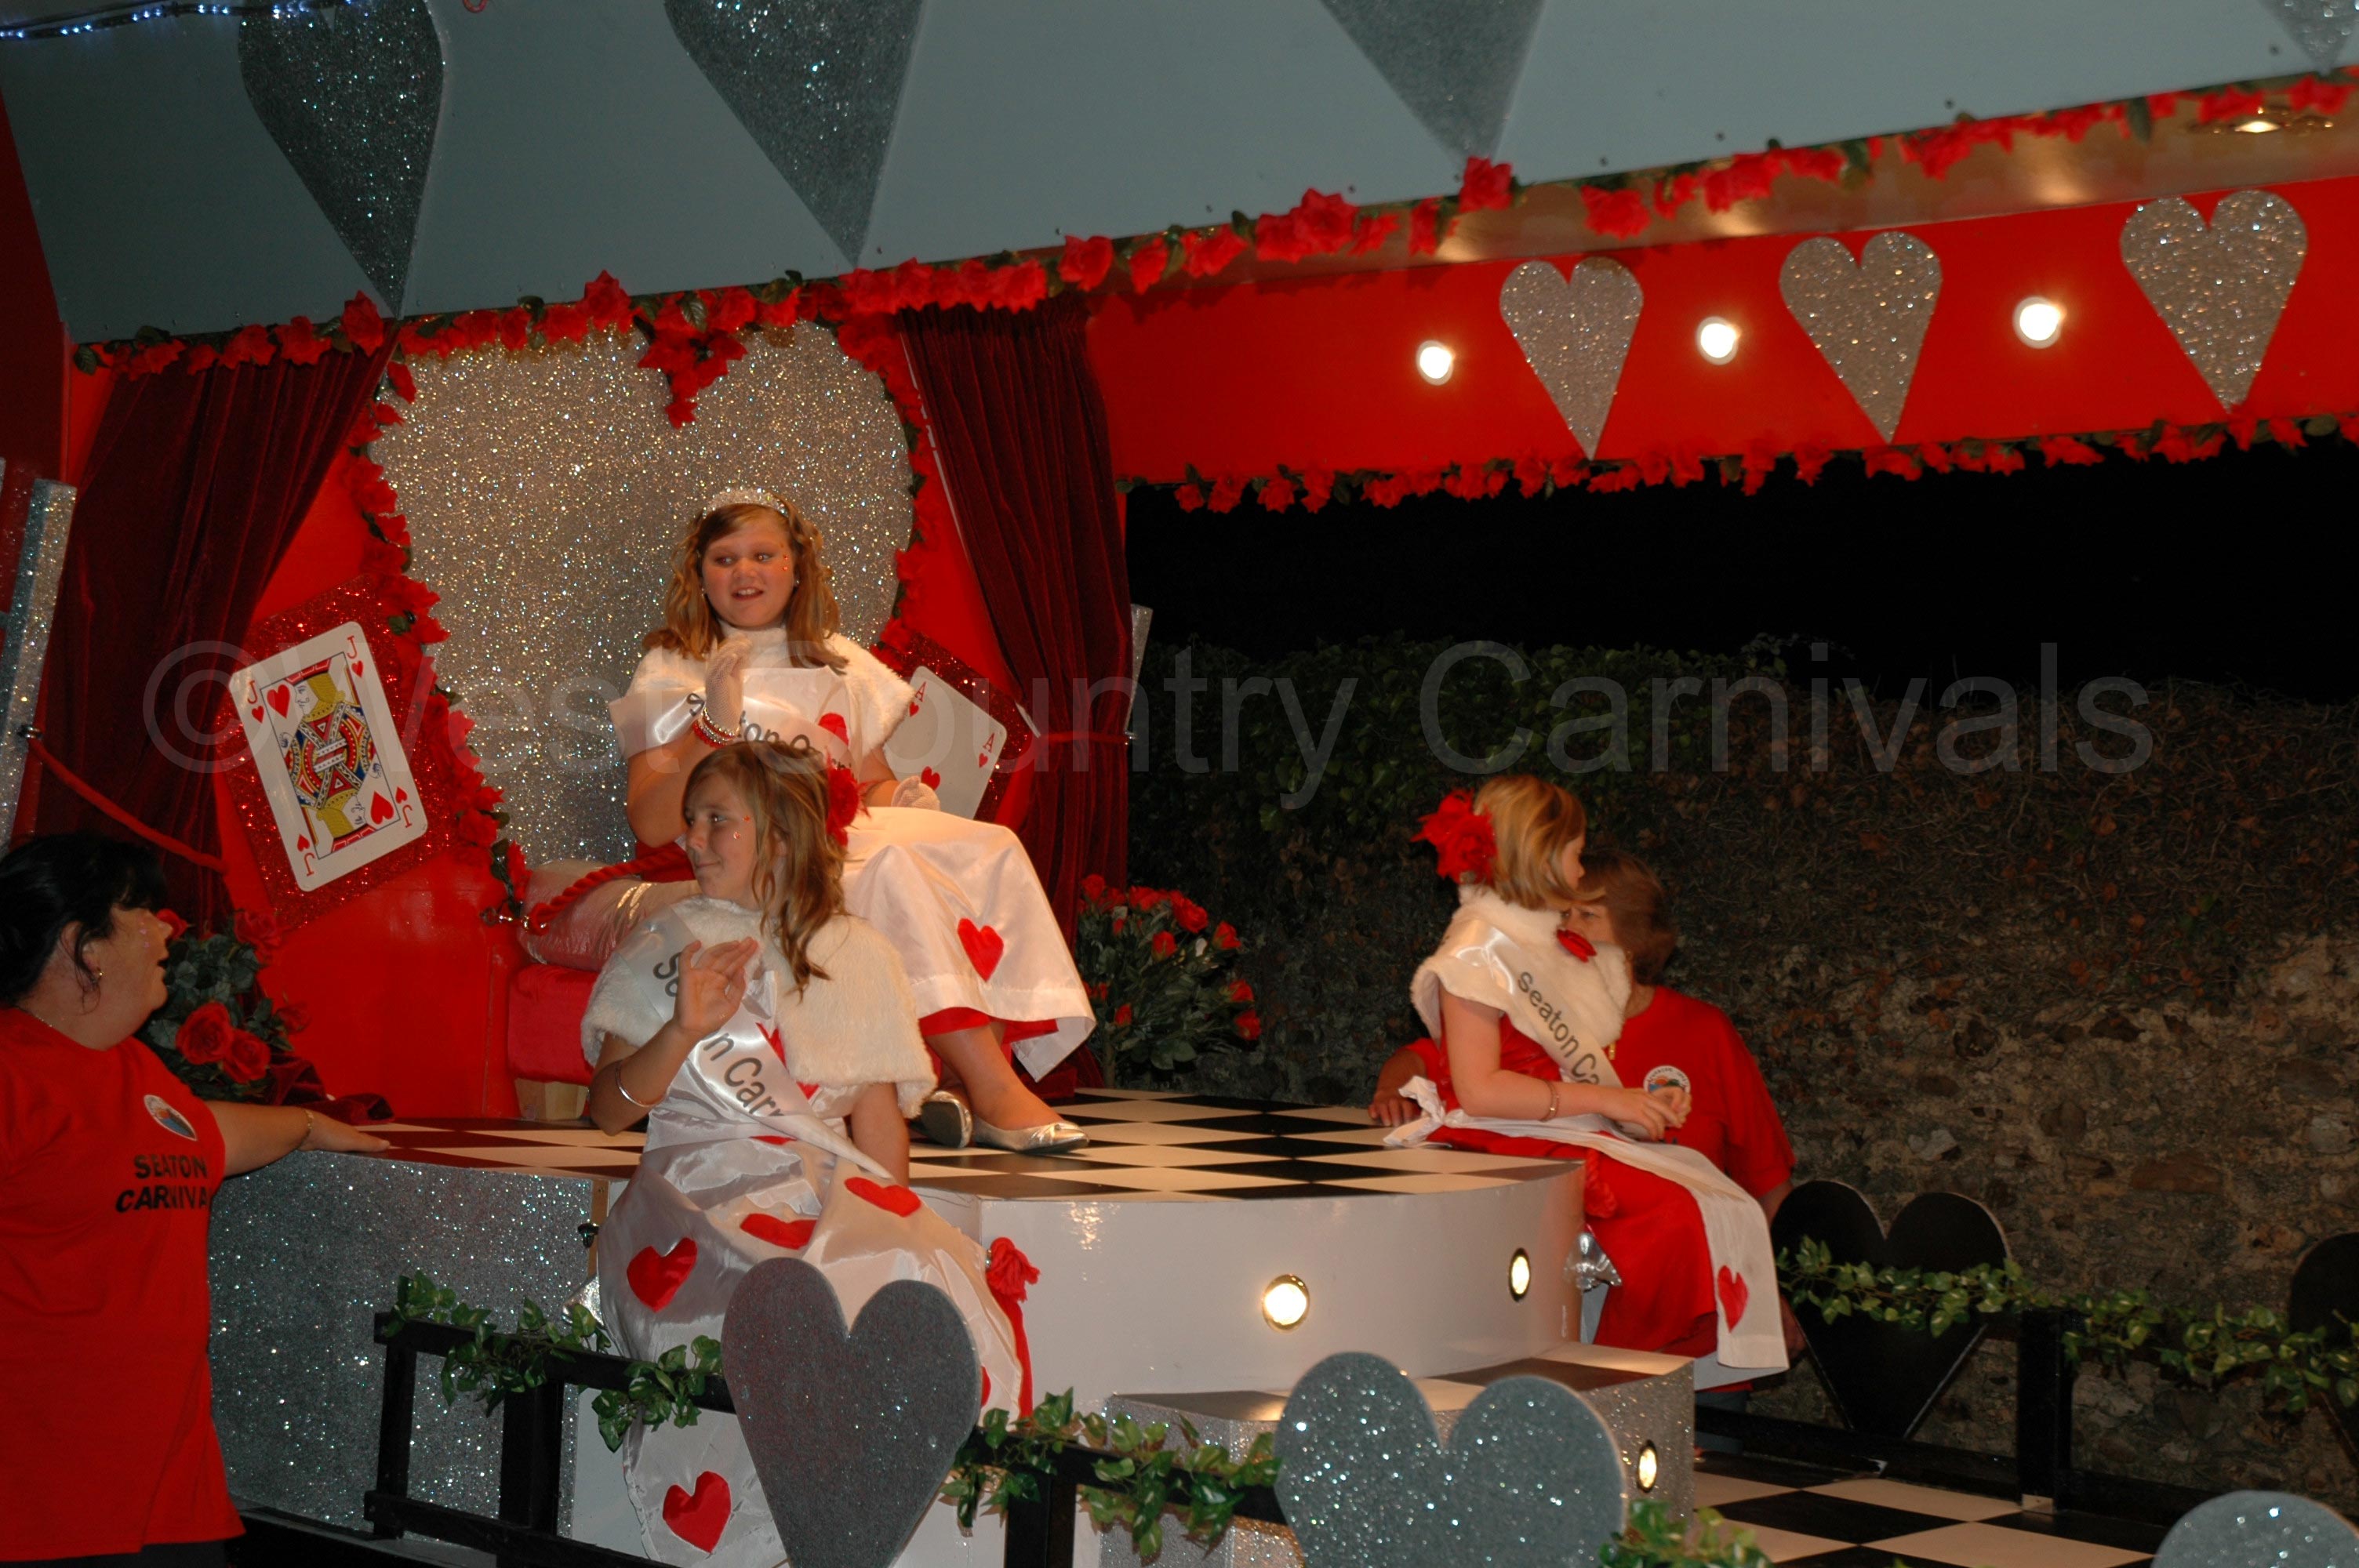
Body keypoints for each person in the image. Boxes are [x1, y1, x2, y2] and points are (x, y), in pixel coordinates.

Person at [583, 740, 1030, 1567]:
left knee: (913, 1273)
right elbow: (605, 1113)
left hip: (819, 1188)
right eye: (692, 820)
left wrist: (892, 1223)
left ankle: (841, 1529)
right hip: (695, 1197)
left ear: (781, 837)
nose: (691, 838)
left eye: (717, 820)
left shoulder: (856, 953)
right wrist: (680, 1029)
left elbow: (877, 1125)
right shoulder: (665, 940)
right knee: (774, 1296)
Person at [611, 489, 1089, 1152]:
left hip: (837, 835)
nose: (745, 572)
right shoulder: (672, 666)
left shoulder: (839, 662)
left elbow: (866, 783)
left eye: (763, 555)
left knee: (989, 845)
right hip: (746, 853)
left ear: (796, 566)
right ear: (700, 574)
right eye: (724, 558)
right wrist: (712, 726)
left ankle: (954, 1077)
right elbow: (651, 820)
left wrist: (902, 797)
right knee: (890, 866)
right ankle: (991, 1087)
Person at [0, 833, 386, 1566]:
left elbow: (209, 1136)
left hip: (170, 1497)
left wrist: (310, 1126)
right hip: (38, 1504)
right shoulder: (13, 1071)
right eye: (141, 912)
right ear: (85, 946)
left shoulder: (134, 1068)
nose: (166, 930)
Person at [1369, 779, 1788, 1377]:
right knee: (1671, 1217)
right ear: (1540, 855)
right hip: (1500, 1133)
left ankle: (1631, 1365)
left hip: (1545, 1128)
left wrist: (1631, 1103)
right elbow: (1481, 1090)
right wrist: (1610, 1101)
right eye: (1575, 852)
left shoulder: (1528, 940)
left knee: (1716, 1202)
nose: (1580, 867)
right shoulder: (1475, 950)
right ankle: (1616, 1371)